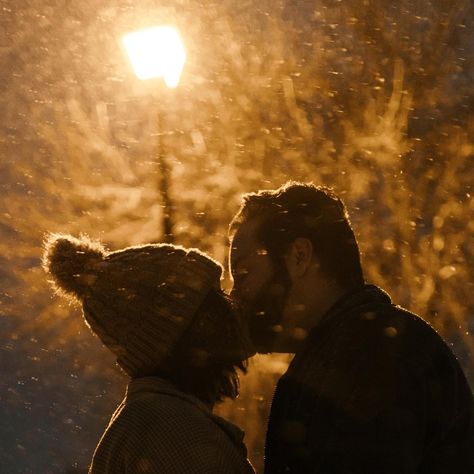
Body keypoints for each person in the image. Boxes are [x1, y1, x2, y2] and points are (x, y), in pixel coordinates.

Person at [228, 181, 474, 473]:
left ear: (299, 256)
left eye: (243, 273)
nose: (235, 296)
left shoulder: (374, 355)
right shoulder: (349, 350)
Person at [42, 233, 255, 474]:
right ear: (194, 329)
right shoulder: (174, 434)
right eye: (216, 301)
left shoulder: (148, 422)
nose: (232, 306)